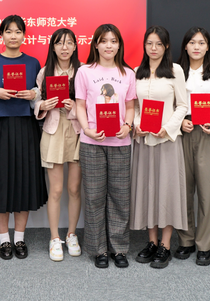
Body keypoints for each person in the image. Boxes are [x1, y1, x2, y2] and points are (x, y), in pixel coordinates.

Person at [0, 15, 47, 260]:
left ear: (24, 35)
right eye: (8, 31)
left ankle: (19, 238)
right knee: (0, 183)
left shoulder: (33, 62)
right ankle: (4, 239)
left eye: (18, 31)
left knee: (24, 182)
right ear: (1, 35)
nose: (13, 36)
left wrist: (34, 95)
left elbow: (39, 98)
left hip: (26, 128)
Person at [74, 24, 136, 269]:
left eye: (113, 41)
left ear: (119, 45)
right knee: (94, 197)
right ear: (96, 45)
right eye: (104, 41)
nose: (109, 45)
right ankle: (99, 249)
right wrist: (86, 129)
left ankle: (119, 248)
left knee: (120, 197)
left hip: (120, 142)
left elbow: (130, 106)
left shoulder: (127, 73)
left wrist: (128, 126)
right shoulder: (84, 71)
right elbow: (80, 105)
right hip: (92, 142)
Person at [131, 25, 189, 269]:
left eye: (158, 44)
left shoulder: (175, 70)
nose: (153, 48)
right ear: (144, 46)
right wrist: (136, 125)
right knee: (148, 190)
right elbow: (134, 107)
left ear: (166, 46)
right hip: (144, 142)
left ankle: (165, 245)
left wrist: (168, 127)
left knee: (167, 191)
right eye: (149, 43)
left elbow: (183, 105)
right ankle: (152, 242)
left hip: (167, 141)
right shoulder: (137, 72)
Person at [173, 26, 210, 266]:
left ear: (208, 47)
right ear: (185, 46)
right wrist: (179, 122)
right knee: (183, 190)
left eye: (202, 42)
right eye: (192, 42)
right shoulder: (175, 70)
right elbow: (170, 102)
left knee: (207, 191)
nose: (197, 47)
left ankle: (204, 245)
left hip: (208, 133)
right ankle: (185, 240)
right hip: (182, 133)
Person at [34, 28, 82, 262]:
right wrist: (43, 105)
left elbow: (91, 105)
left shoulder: (83, 71)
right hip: (53, 131)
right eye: (59, 43)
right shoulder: (44, 72)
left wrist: (75, 107)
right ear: (52, 47)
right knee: (55, 190)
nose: (64, 47)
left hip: (77, 131)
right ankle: (54, 238)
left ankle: (71, 234)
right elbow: (36, 101)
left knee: (74, 189)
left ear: (75, 46)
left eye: (69, 43)